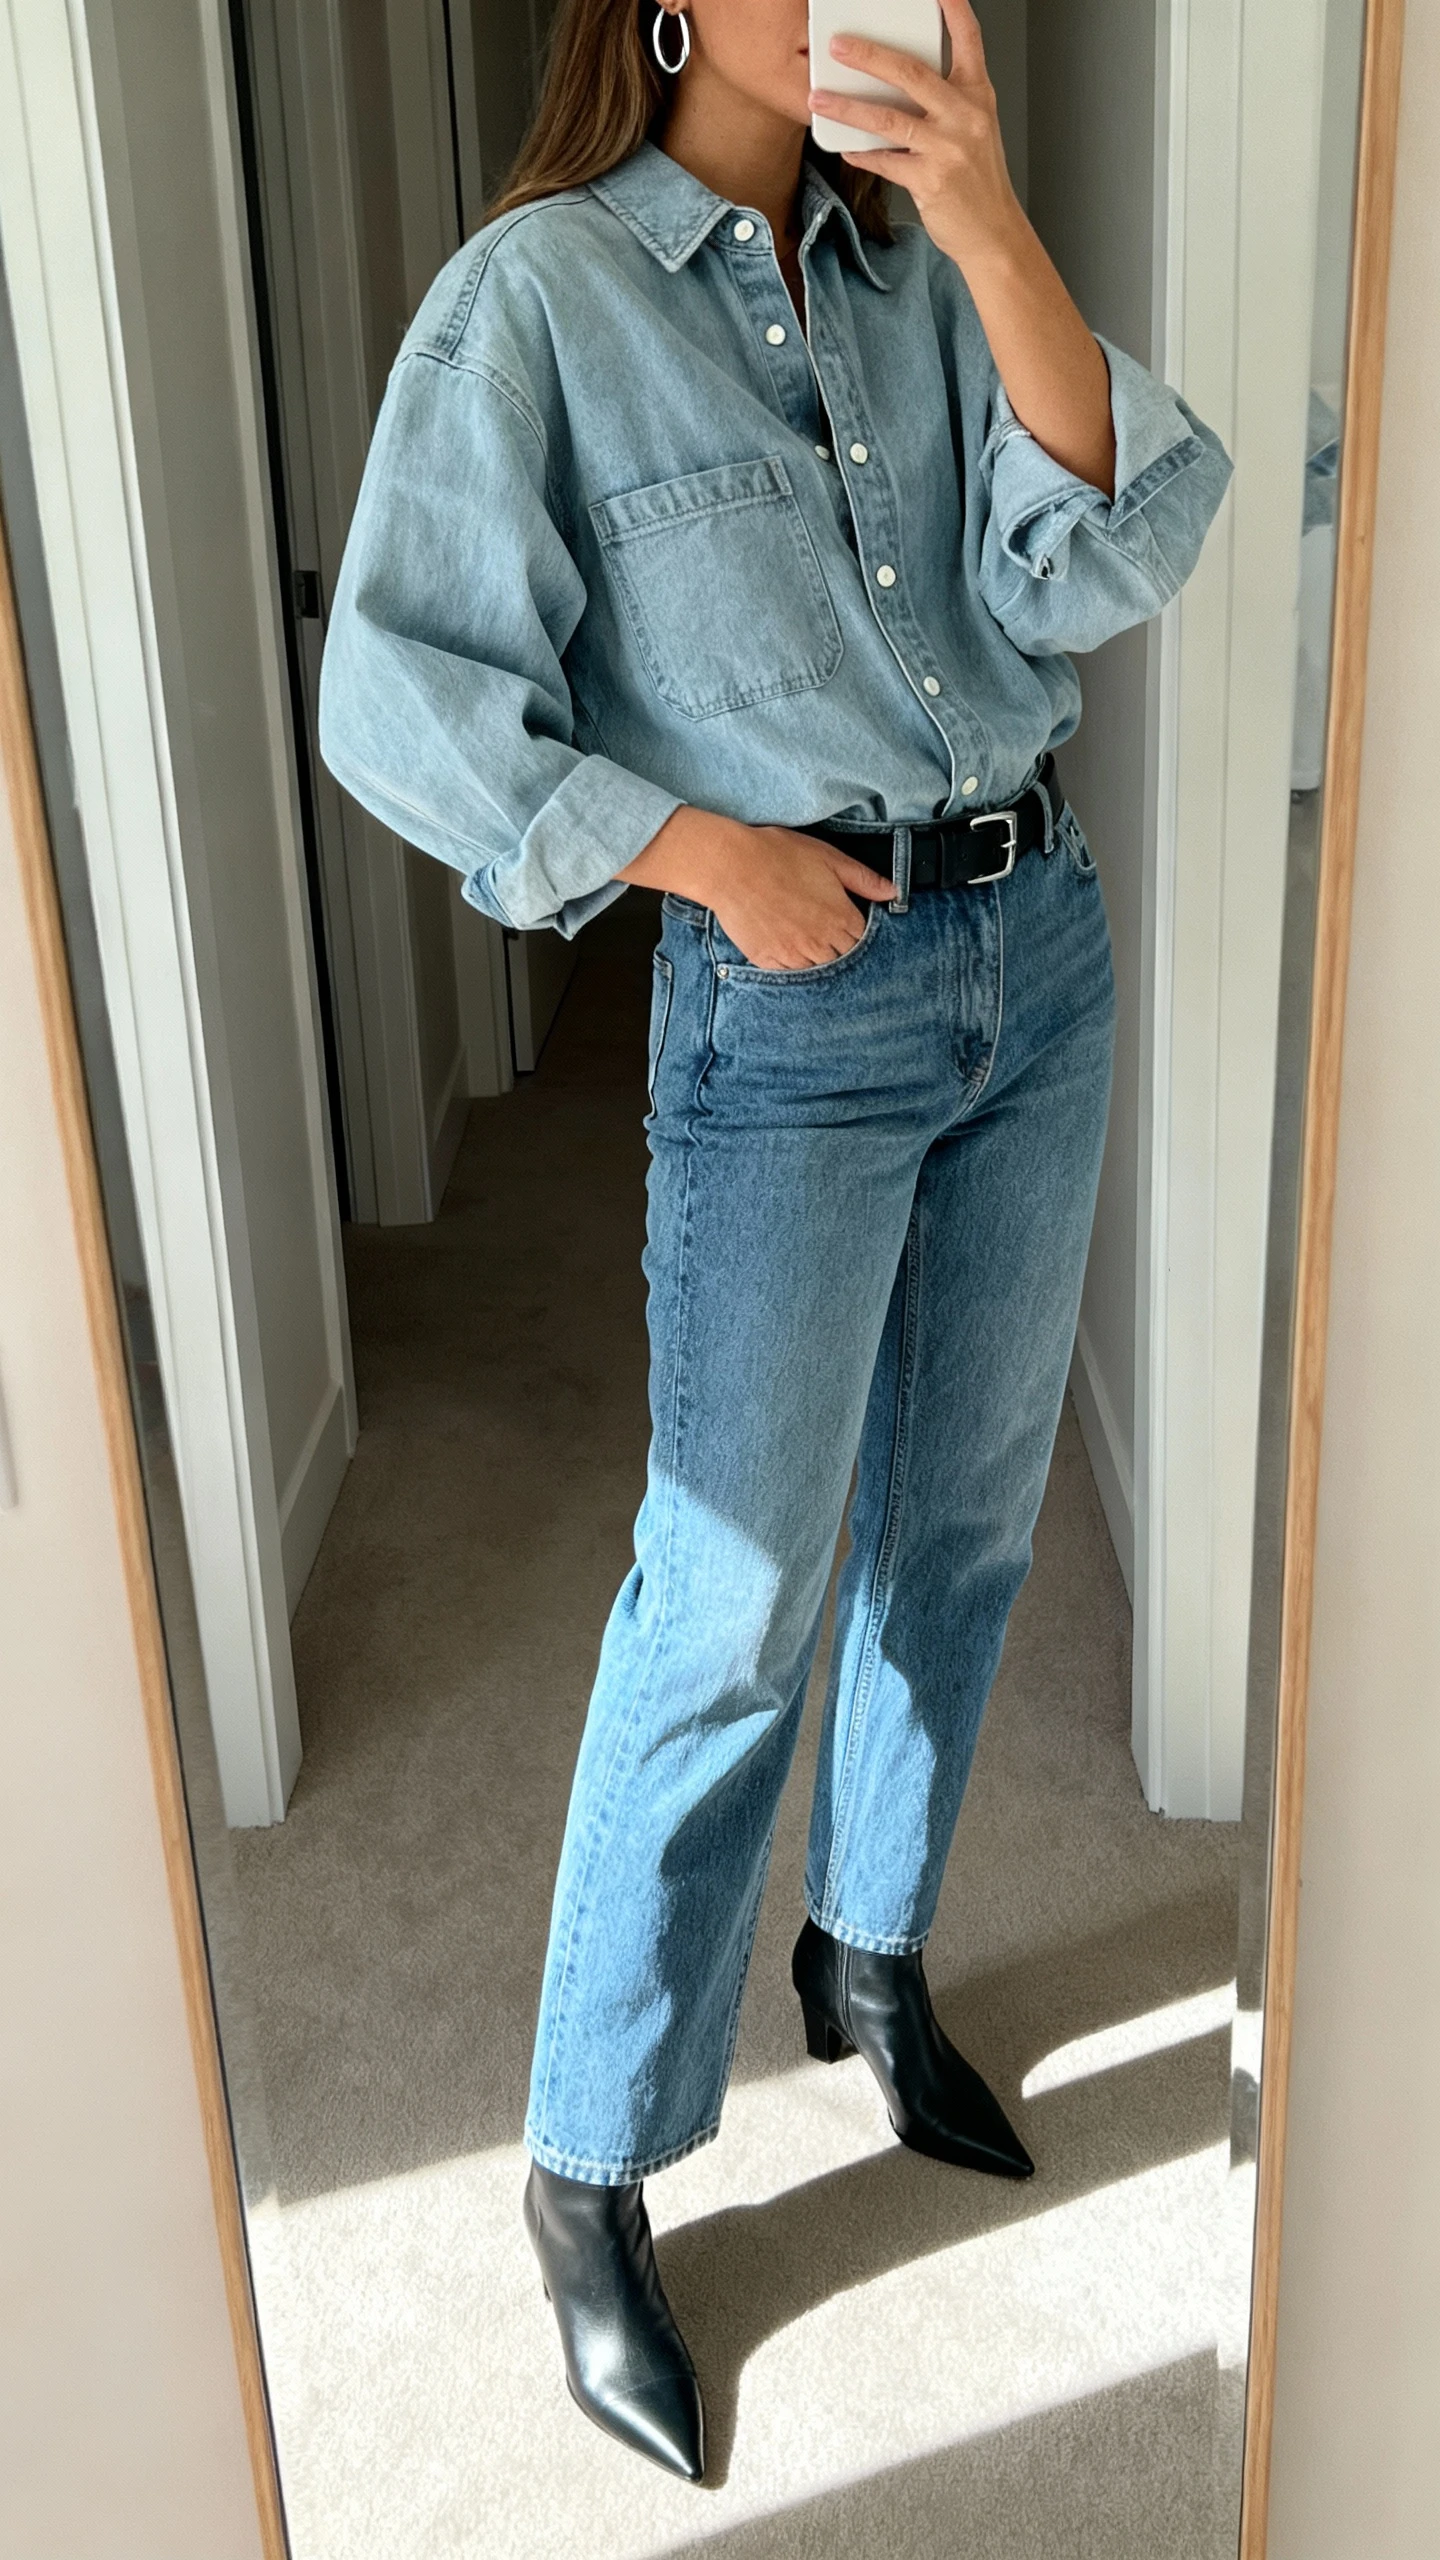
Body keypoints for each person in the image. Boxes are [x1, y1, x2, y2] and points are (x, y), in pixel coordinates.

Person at [319, 0, 1231, 2485]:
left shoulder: (927, 262)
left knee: (964, 1520)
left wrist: (992, 217)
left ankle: (871, 1948)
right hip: (798, 1003)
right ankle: (588, 2158)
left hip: (1038, 953)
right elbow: (399, 687)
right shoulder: (540, 299)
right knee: (729, 1588)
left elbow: (1104, 555)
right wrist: (695, 848)